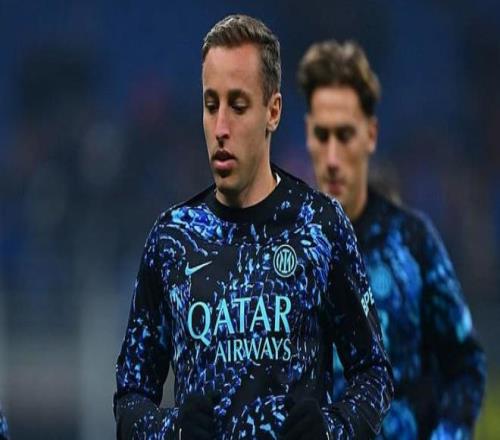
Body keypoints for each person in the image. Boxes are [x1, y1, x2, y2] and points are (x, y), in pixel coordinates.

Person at [114, 15, 393, 439]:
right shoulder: (171, 239)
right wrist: (171, 431)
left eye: (238, 106)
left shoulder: (320, 226)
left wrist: (333, 429)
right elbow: (130, 397)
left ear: (273, 111)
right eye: (211, 105)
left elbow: (373, 372)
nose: (221, 128)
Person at [298, 40, 486, 439]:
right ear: (307, 135)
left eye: (345, 135)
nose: (332, 157)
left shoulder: (412, 243)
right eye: (322, 135)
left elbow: (465, 365)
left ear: (371, 135)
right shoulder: (282, 253)